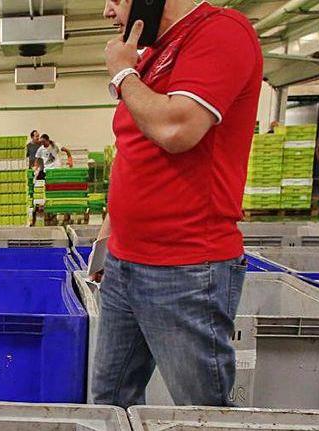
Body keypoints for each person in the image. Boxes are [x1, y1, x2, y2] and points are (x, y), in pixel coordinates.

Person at [93, 0, 262, 409]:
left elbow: (176, 127)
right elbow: (134, 149)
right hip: (123, 263)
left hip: (184, 267)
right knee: (112, 399)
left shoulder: (221, 33)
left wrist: (122, 73)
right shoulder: (154, 54)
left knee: (202, 413)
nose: (106, 12)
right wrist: (107, 236)